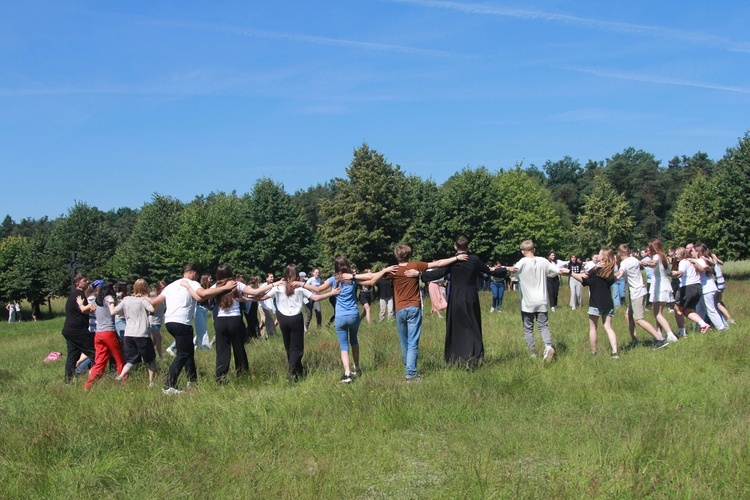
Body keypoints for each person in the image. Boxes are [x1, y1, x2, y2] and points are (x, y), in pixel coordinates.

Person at [304, 258, 397, 383]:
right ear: (347, 266)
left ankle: (347, 373)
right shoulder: (353, 279)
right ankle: (357, 367)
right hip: (353, 315)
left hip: (340, 316)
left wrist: (301, 284)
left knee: (343, 345)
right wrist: (385, 270)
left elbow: (318, 289)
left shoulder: (333, 280)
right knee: (354, 340)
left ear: (335, 267)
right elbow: (371, 280)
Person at [150, 264, 237, 395]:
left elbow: (154, 303)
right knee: (183, 354)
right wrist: (225, 288)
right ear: (194, 273)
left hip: (169, 322)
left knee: (188, 351)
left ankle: (192, 381)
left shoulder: (170, 285)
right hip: (182, 322)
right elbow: (202, 294)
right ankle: (168, 385)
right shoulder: (192, 283)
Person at [388, 244, 468, 380]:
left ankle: (409, 366)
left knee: (404, 341)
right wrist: (456, 258)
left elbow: (371, 277)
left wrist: (352, 276)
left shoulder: (392, 270)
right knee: (413, 342)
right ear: (408, 254)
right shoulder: (416, 266)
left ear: (396, 256)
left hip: (399, 309)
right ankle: (411, 374)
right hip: (413, 307)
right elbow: (438, 263)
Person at [440, 237, 507, 368]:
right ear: (468, 248)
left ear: (455, 248)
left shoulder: (452, 261)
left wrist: (419, 274)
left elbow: (438, 272)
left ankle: (455, 357)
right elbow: (489, 271)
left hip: (456, 296)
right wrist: (505, 270)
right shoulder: (474, 260)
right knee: (473, 325)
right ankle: (473, 356)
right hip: (470, 295)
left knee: (456, 326)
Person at [269, 264, 339, 381]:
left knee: (289, 347)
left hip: (283, 319)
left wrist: (246, 297)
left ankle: (298, 373)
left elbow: (262, 296)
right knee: (298, 349)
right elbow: (316, 298)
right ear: (297, 275)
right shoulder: (300, 288)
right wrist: (331, 293)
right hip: (295, 319)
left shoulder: (278, 287)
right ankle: (290, 372)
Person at [507, 240, 567, 361]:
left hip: (527, 302)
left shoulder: (522, 261)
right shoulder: (543, 261)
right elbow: (558, 271)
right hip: (542, 301)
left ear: (522, 251)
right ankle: (548, 346)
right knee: (543, 326)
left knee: (528, 328)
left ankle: (532, 353)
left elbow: (513, 270)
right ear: (534, 249)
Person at [615, 244, 669, 349]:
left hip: (636, 293)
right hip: (640, 291)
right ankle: (635, 341)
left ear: (619, 253)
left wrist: (608, 277)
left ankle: (660, 339)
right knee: (628, 315)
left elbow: (620, 273)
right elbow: (643, 263)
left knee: (639, 319)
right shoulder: (634, 259)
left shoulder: (624, 263)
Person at [570, 248, 619, 358]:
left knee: (593, 328)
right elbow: (612, 280)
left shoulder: (595, 269)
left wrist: (570, 273)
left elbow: (585, 280)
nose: (597, 256)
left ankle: (594, 352)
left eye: (599, 254)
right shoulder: (609, 270)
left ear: (602, 257)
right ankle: (615, 352)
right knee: (609, 328)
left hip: (595, 302)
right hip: (608, 302)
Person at [114, 279, 158, 387]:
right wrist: (151, 301)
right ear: (145, 288)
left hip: (128, 333)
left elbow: (115, 311)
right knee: (150, 359)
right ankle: (151, 382)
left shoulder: (126, 299)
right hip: (142, 334)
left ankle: (120, 375)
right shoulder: (143, 300)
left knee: (131, 359)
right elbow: (152, 310)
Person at [84, 281, 127, 390]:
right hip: (109, 332)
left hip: (98, 334)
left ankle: (88, 385)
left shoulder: (97, 300)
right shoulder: (108, 298)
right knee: (120, 358)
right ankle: (125, 382)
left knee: (100, 361)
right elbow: (113, 312)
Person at [640, 239, 678, 343]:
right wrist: (677, 273)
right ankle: (659, 334)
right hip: (664, 284)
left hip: (659, 286)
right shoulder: (664, 257)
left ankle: (670, 334)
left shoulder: (657, 256)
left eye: (650, 248)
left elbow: (653, 263)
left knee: (657, 313)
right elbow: (669, 273)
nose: (648, 250)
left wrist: (645, 263)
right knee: (658, 312)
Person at [61, 273, 96, 383]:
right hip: (78, 330)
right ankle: (93, 379)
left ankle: (68, 382)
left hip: (69, 330)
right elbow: (83, 310)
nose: (87, 282)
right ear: (78, 283)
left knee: (73, 356)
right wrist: (91, 307)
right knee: (95, 353)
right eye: (85, 280)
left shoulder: (74, 294)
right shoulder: (79, 295)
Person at [672, 247, 710, 336]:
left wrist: (673, 273)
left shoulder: (682, 262)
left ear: (681, 254)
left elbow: (681, 271)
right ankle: (703, 325)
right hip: (698, 287)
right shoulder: (691, 261)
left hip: (688, 287)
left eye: (677, 254)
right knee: (687, 310)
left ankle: (682, 332)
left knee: (677, 309)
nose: (675, 256)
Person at [690, 243, 728, 331]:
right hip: (704, 289)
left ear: (698, 252)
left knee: (711, 310)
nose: (691, 253)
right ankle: (699, 328)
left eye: (692, 251)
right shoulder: (701, 260)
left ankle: (721, 329)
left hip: (707, 289)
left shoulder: (699, 261)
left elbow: (702, 268)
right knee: (700, 309)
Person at [149, 281, 167, 359]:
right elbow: (152, 308)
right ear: (158, 287)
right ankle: (161, 356)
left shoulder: (164, 296)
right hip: (152, 320)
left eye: (164, 287)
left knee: (155, 341)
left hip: (158, 321)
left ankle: (145, 352)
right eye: (161, 287)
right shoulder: (154, 295)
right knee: (159, 338)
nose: (163, 288)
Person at [260, 272, 277, 338]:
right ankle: (272, 334)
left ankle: (261, 335)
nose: (272, 278)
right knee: (268, 320)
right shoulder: (264, 285)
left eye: (273, 277)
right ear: (266, 278)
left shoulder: (274, 285)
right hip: (262, 304)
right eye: (271, 277)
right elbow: (260, 292)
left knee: (264, 321)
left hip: (268, 305)